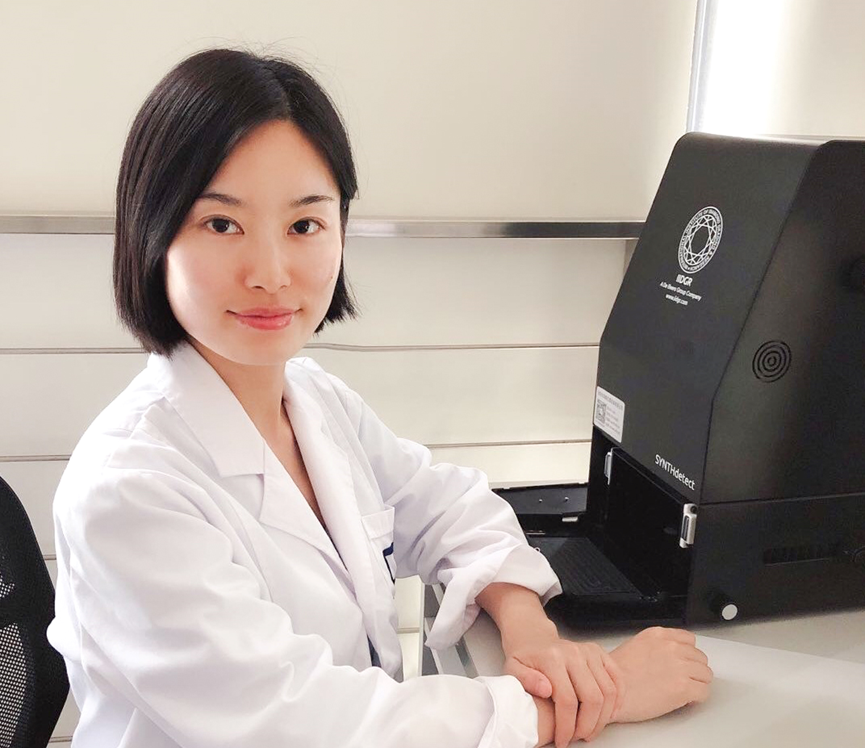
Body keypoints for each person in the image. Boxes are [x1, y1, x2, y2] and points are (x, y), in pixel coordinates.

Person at [47, 47, 712, 748]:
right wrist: (599, 696)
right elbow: (303, 723)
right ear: (151, 234)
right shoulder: (127, 493)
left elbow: (446, 506)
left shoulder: (312, 399)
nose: (271, 273)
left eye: (304, 225)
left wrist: (531, 631)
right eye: (221, 224)